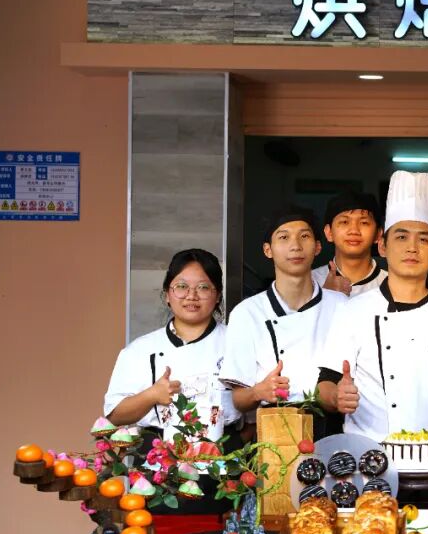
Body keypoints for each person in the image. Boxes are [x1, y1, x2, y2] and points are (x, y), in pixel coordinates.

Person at [317, 171, 428, 448]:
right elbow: (325, 384)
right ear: (382, 245)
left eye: (424, 239)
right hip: (367, 454)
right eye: (402, 237)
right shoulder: (352, 312)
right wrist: (336, 397)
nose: (412, 248)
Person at [103, 248, 240, 512]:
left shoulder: (237, 344)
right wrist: (151, 395)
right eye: (181, 286)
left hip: (222, 468)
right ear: (167, 294)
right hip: (158, 468)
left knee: (225, 532)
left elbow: (254, 415)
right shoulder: (140, 350)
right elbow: (115, 415)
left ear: (218, 295)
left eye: (203, 287)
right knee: (155, 533)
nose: (191, 295)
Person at [220, 206, 346, 441]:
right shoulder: (247, 313)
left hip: (333, 428)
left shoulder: (342, 306)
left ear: (318, 247)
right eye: (284, 237)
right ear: (268, 250)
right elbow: (238, 400)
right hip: (274, 430)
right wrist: (259, 391)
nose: (295, 246)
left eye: (304, 236)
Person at [311, 189, 386, 297]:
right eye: (344, 222)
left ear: (378, 234)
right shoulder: (310, 282)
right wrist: (325, 296)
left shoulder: (392, 284)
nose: (354, 230)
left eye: (364, 223)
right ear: (329, 232)